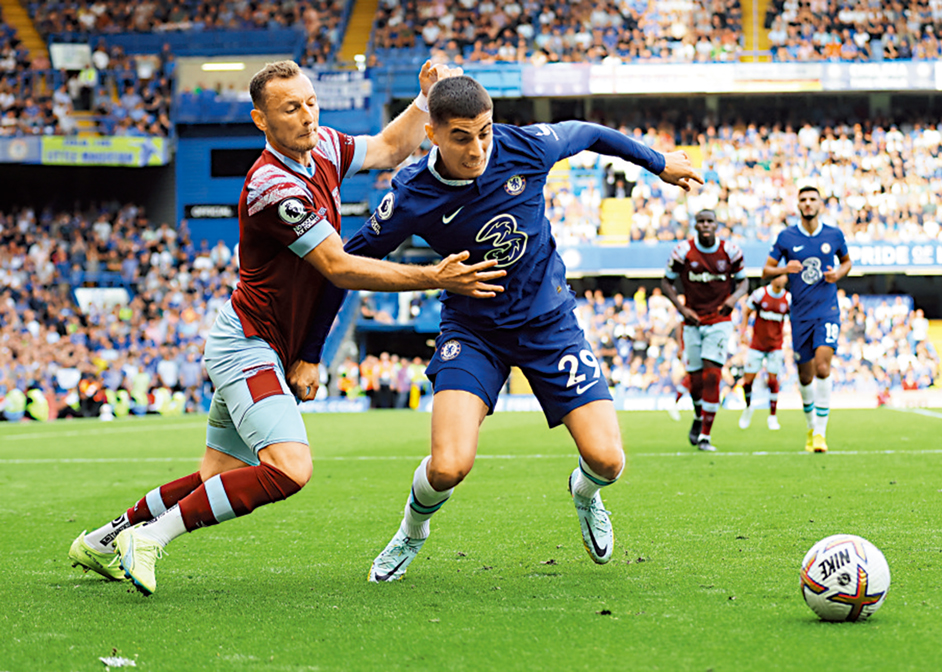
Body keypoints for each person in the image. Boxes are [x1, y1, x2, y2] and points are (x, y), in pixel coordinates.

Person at [68, 60, 505, 596]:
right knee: (290, 467)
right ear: (261, 120)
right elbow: (340, 267)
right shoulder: (273, 187)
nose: (306, 116)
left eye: (311, 102)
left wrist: (424, 100)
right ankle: (152, 537)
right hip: (248, 345)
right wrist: (433, 277)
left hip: (257, 343)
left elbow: (390, 149)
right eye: (290, 108)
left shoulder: (322, 147)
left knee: (218, 478)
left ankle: (106, 540)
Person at [309, 75, 702, 582]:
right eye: (461, 138)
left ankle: (584, 493)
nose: (477, 149)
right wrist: (310, 351)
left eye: (485, 133)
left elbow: (587, 132)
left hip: (548, 321)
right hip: (473, 332)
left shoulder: (525, 147)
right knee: (449, 466)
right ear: (432, 134)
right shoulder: (411, 197)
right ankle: (412, 530)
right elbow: (346, 266)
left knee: (608, 461)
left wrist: (658, 161)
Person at [762, 185, 852, 453]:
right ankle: (811, 426)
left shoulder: (834, 234)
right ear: (798, 205)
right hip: (800, 314)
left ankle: (821, 434)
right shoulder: (786, 237)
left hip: (828, 311)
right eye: (803, 199)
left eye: (813, 199)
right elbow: (765, 270)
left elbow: (847, 262)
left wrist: (838, 273)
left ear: (820, 204)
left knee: (823, 368)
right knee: (805, 376)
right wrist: (784, 268)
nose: (808, 203)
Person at [661, 210, 748, 452]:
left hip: (720, 320)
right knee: (696, 380)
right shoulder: (683, 251)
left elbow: (744, 281)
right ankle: (699, 418)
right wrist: (681, 309)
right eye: (701, 221)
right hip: (693, 321)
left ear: (717, 225)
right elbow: (666, 282)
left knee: (713, 375)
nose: (706, 225)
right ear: (695, 226)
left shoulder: (730, 251)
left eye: (710, 221)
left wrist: (733, 299)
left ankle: (705, 437)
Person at [737, 274, 790, 431]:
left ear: (786, 279)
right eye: (777, 276)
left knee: (773, 380)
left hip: (775, 345)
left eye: (782, 276)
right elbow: (746, 311)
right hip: (757, 344)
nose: (779, 279)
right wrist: (743, 332)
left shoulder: (788, 299)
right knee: (748, 380)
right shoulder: (761, 294)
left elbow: (793, 318)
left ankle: (772, 416)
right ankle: (748, 408)